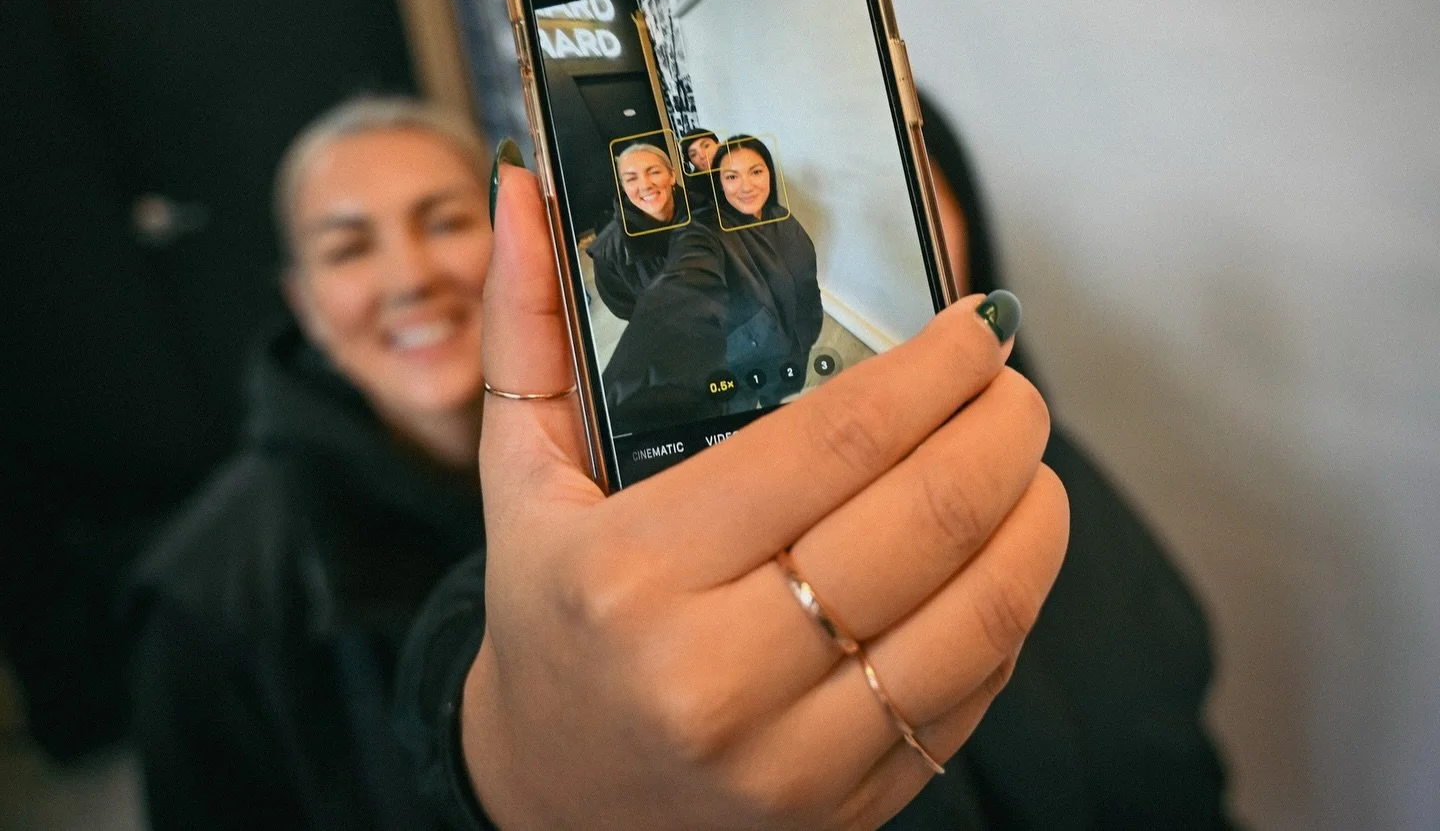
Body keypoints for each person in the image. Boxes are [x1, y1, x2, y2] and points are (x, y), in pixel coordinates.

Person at [394, 103, 1236, 830]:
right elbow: (486, 661)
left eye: (918, 182)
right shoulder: (636, 530)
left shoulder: (1045, 447)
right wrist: (520, 774)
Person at [127, 96, 497, 829]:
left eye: (445, 223)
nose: (410, 277)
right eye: (349, 249)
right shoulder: (205, 597)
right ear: (304, 303)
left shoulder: (630, 460)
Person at [600, 135, 824, 430]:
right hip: (727, 356)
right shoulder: (704, 226)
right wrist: (632, 385)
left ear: (672, 175)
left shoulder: (778, 218)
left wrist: (806, 332)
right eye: (732, 176)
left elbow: (804, 283)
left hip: (787, 350)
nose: (745, 186)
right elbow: (658, 297)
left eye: (756, 171)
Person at [586, 140, 690, 321]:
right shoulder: (607, 251)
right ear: (624, 188)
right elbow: (625, 308)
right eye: (631, 179)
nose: (645, 185)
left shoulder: (707, 210)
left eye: (654, 172)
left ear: (672, 175)